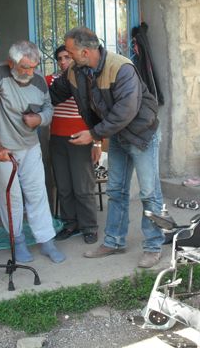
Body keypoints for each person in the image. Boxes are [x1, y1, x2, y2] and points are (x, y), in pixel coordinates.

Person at [48, 27, 165, 269]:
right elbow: (53, 94)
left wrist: (93, 134)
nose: (66, 57)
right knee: (116, 191)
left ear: (84, 51)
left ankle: (153, 246)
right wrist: (24, 100)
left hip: (141, 135)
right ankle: (114, 241)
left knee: (149, 193)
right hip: (116, 135)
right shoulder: (75, 71)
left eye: (69, 51)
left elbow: (126, 111)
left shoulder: (120, 68)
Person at [0, 40, 66, 264]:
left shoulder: (38, 81)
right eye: (24, 67)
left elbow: (48, 108)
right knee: (11, 197)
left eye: (33, 67)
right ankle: (17, 240)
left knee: (37, 192)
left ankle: (46, 241)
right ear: (11, 62)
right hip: (2, 148)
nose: (29, 72)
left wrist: (40, 119)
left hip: (30, 145)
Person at [46, 45, 101, 244]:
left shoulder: (84, 80)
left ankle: (89, 226)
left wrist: (96, 143)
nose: (63, 62)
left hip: (81, 137)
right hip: (57, 139)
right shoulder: (50, 81)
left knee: (83, 186)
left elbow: (95, 112)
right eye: (59, 58)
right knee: (63, 185)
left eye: (67, 57)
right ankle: (70, 223)